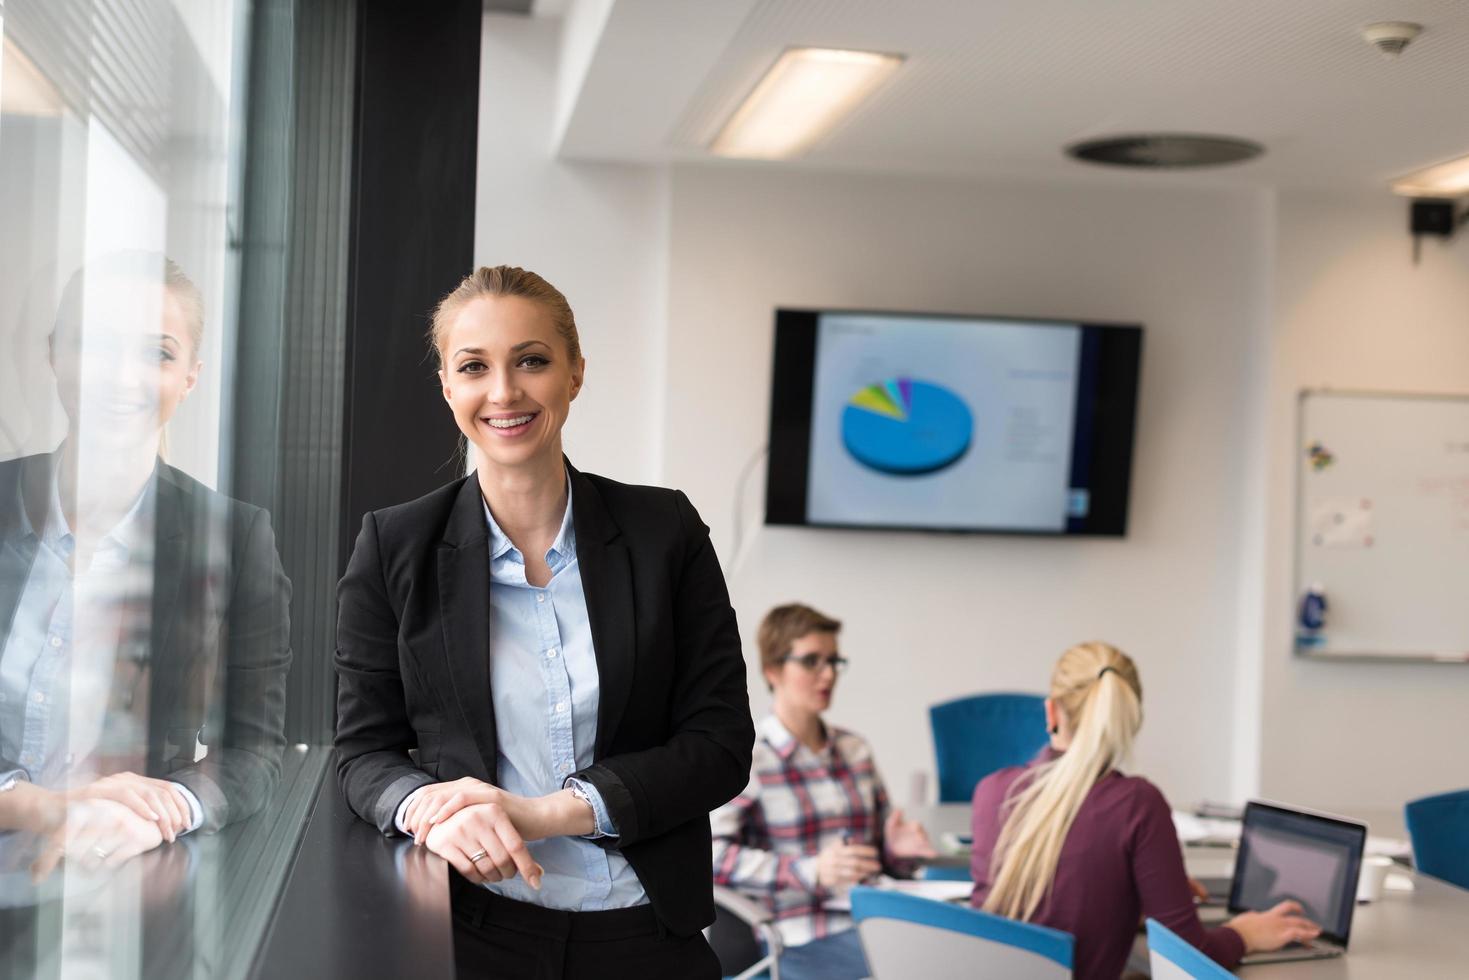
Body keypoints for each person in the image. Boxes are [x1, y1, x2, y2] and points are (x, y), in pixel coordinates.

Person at [334, 265, 754, 979]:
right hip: (470, 933)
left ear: (574, 373)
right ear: (447, 386)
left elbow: (719, 743)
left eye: (531, 360)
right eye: (474, 367)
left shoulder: (663, 533)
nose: (503, 392)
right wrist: (432, 807)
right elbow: (361, 754)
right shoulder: (394, 546)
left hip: (646, 930)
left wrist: (544, 814)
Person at [969, 642, 1321, 979]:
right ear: (1130, 719)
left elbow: (1041, 913)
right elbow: (1189, 956)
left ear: (1051, 712)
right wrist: (1245, 934)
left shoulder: (993, 792)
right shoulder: (1138, 804)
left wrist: (1126, 898)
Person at [709, 604, 935, 980]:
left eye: (833, 661)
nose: (827, 674)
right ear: (773, 670)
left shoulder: (854, 749)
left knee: (965, 952)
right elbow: (710, 855)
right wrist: (810, 871)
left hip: (877, 917)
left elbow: (877, 853)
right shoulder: (751, 758)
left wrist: (897, 850)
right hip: (803, 934)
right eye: (811, 661)